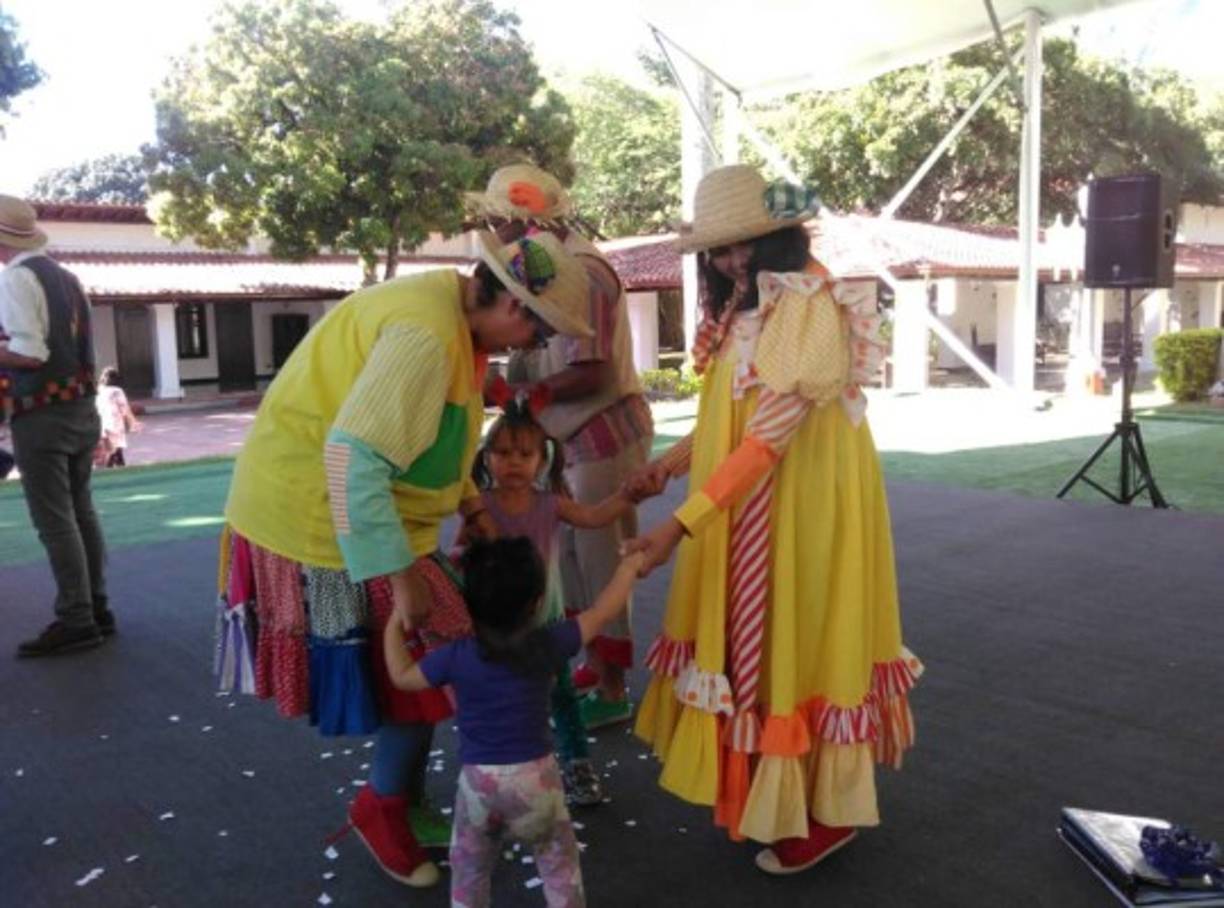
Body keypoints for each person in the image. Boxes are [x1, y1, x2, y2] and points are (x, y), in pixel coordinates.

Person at [216, 230, 592, 888]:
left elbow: (433, 440)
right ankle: (379, 807)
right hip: (325, 519)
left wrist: (472, 509)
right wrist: (400, 574)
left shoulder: (454, 321)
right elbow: (353, 458)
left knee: (430, 671)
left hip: (372, 518)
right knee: (418, 680)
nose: (532, 350)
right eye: (538, 336)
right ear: (511, 309)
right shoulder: (425, 334)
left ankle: (400, 796)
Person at [625, 165, 924, 874]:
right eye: (721, 251)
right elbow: (733, 417)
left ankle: (824, 812)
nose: (732, 261)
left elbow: (768, 438)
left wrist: (679, 525)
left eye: (746, 244)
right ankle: (777, 796)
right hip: (755, 495)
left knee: (805, 641)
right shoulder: (749, 303)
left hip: (802, 503)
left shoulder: (808, 303)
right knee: (765, 639)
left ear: (783, 233)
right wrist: (671, 466)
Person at [467, 164, 654, 730]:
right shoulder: (545, 263)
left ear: (515, 220)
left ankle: (615, 685)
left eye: (493, 222)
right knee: (570, 559)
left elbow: (593, 372)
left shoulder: (584, 270)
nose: (491, 233)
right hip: (568, 434)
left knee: (600, 560)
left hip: (603, 430)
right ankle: (596, 668)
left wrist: (519, 391)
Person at [383, 537, 645, 908]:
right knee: (558, 865)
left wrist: (395, 621)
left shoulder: (456, 656)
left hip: (479, 785)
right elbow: (603, 611)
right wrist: (628, 569)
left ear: (467, 603)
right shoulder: (549, 642)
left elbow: (402, 675)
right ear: (537, 603)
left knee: (470, 870)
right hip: (537, 780)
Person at [470, 378, 653, 806]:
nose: (513, 463)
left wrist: (628, 494)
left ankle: (576, 765)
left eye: (524, 454)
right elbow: (466, 556)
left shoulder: (550, 504)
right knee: (503, 696)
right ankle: (506, 769)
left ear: (542, 458)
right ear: (486, 456)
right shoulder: (479, 504)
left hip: (546, 621)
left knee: (561, 694)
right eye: (502, 453)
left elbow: (594, 516)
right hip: (496, 623)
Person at [0, 195, 115, 657]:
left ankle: (76, 618)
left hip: (42, 414)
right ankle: (97, 607)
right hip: (82, 408)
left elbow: (31, 355)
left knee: (55, 519)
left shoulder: (15, 278)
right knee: (81, 510)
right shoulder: (67, 276)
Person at [93, 366, 141, 468]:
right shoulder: (117, 391)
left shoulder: (99, 390)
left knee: (112, 450)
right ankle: (116, 469)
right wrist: (133, 423)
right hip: (114, 424)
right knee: (114, 450)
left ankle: (116, 466)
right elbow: (125, 409)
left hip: (101, 424)